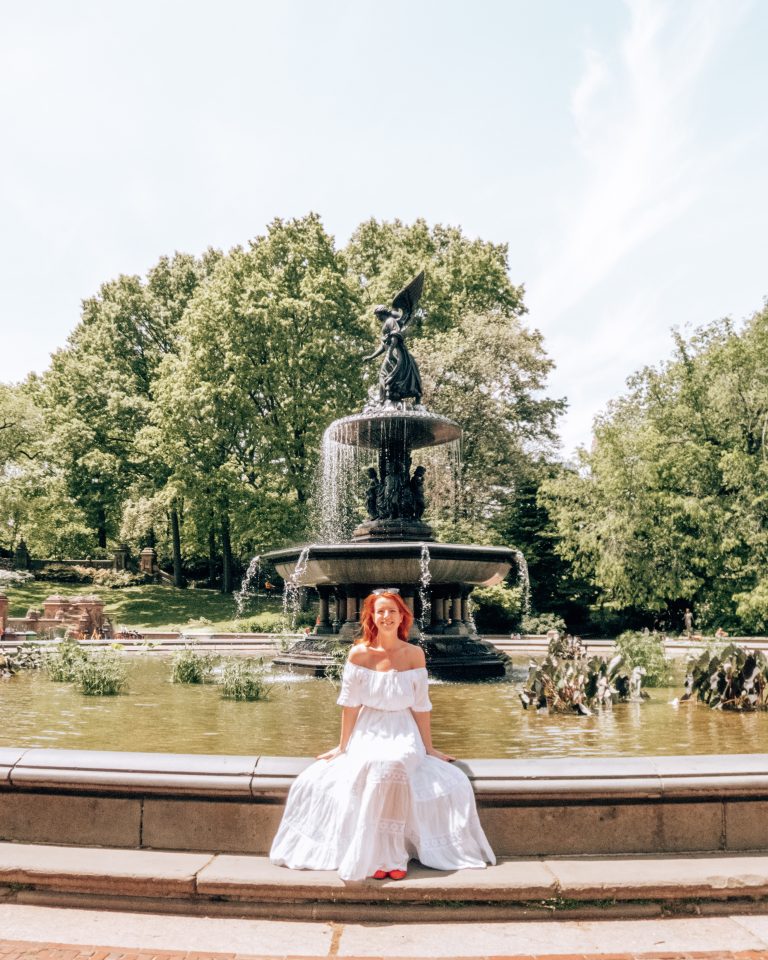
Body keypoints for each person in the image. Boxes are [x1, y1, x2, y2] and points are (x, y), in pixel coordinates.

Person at [269, 589, 495, 881]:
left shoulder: (414, 654)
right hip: (369, 728)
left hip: (403, 729)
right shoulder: (359, 653)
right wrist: (342, 746)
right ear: (371, 617)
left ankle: (393, 854)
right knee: (374, 763)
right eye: (380, 612)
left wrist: (429, 748)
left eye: (392, 611)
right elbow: (350, 705)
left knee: (396, 761)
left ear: (402, 616)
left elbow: (421, 707)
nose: (386, 616)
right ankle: (377, 854)